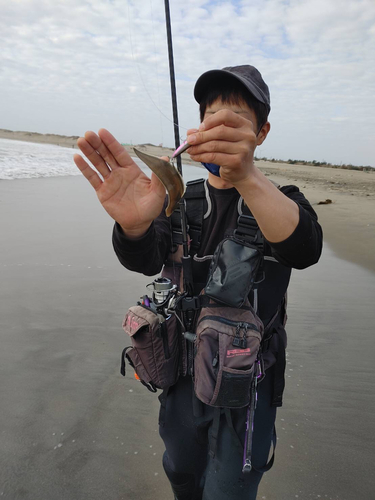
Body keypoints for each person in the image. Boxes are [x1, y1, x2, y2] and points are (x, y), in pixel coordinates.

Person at [74, 65, 323, 500]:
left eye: (236, 121)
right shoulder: (175, 199)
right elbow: (144, 257)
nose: (220, 130)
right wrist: (132, 227)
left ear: (261, 133)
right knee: (180, 472)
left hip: (246, 384)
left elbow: (305, 247)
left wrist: (246, 177)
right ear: (196, 130)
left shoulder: (282, 201)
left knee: (231, 490)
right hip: (181, 378)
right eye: (212, 118)